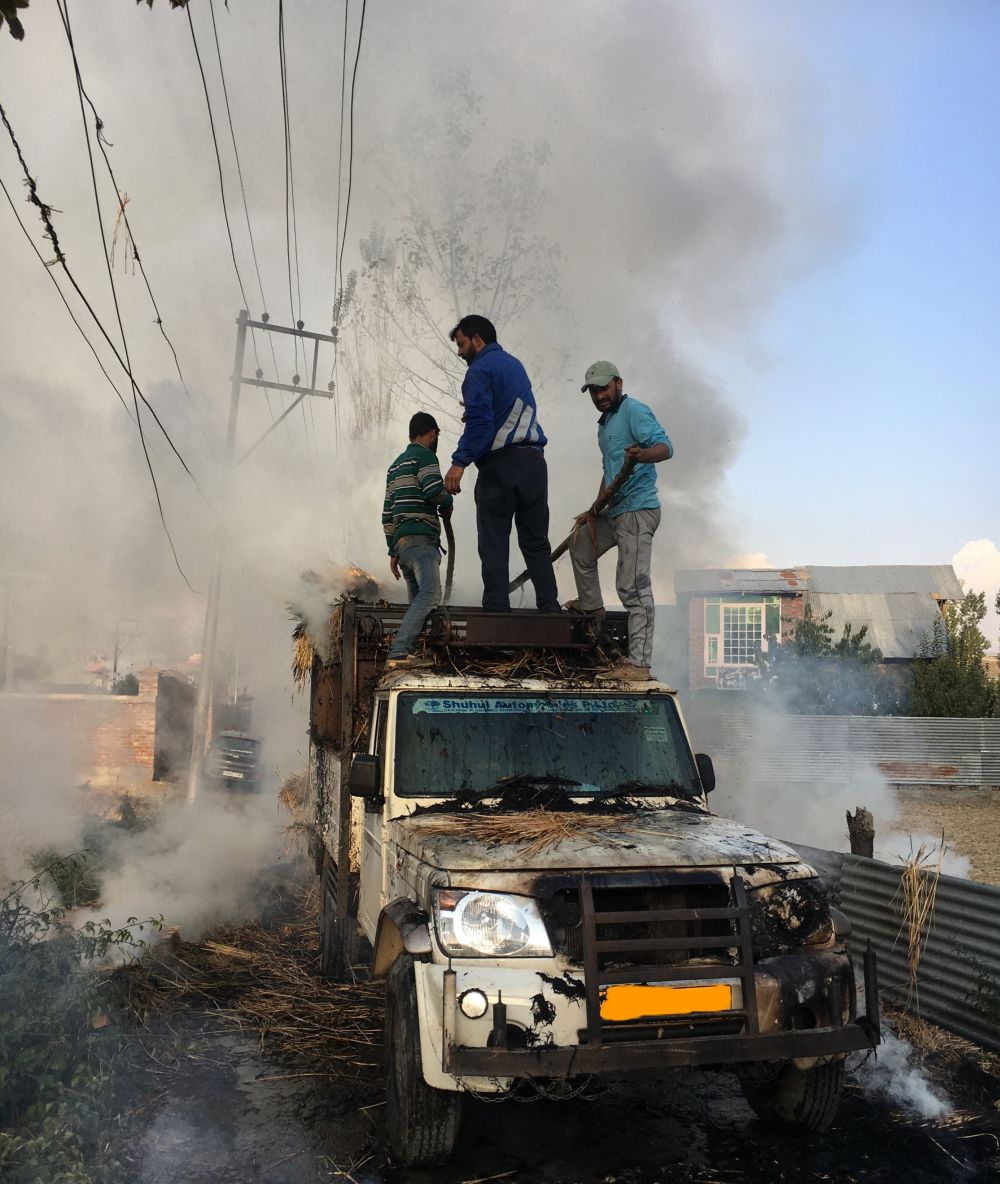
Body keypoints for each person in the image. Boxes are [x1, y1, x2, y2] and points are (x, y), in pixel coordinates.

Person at [443, 315, 560, 613]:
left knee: (494, 541)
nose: (460, 353)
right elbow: (506, 409)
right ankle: (549, 609)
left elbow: (482, 424)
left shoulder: (478, 371)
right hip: (534, 464)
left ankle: (497, 610)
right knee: (535, 542)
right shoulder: (514, 365)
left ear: (477, 339)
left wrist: (459, 462)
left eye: (461, 344)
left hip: (500, 466)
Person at [569, 361, 673, 682]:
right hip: (615, 510)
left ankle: (639, 665)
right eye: (594, 391)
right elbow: (610, 471)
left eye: (604, 388)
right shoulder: (604, 424)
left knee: (632, 588)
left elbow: (666, 447)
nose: (599, 395)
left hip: (638, 511)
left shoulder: (634, 411)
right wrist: (595, 508)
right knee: (580, 544)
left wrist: (642, 455)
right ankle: (592, 610)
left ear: (618, 384)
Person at [382, 412, 453, 669]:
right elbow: (433, 490)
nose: (435, 440)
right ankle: (399, 651)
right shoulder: (425, 456)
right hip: (422, 542)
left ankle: (408, 652)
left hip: (403, 548)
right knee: (432, 594)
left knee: (418, 602)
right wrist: (448, 501)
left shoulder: (395, 466)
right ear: (431, 433)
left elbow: (387, 515)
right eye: (435, 436)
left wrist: (393, 550)